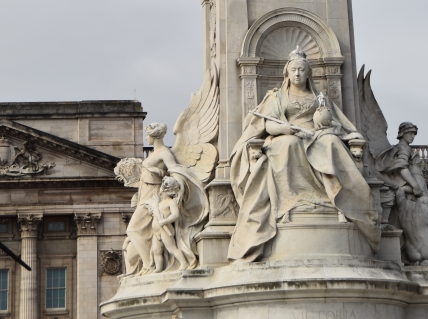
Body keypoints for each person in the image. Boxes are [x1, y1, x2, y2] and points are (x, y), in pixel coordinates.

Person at [228, 48, 378, 261]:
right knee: (288, 145)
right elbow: (267, 123)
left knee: (332, 142)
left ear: (309, 73)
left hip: (315, 135)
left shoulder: (319, 97)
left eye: (301, 70)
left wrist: (324, 123)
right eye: (293, 70)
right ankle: (291, 201)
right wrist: (285, 129)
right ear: (286, 73)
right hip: (286, 134)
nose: (297, 73)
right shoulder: (276, 96)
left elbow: (334, 121)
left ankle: (340, 199)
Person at [126, 123, 207, 274]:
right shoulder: (153, 154)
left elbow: (176, 173)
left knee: (133, 229)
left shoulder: (164, 152)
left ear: (154, 135)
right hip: (144, 195)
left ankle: (148, 265)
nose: (146, 137)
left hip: (153, 198)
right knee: (137, 231)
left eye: (147, 134)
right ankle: (148, 264)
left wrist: (160, 174)